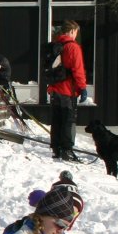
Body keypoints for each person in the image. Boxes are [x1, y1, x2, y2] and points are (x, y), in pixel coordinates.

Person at [48, 20, 86, 163]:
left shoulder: (56, 45)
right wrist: (82, 88)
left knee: (56, 119)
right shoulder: (72, 47)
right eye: (76, 32)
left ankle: (56, 148)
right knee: (68, 120)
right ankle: (67, 150)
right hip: (68, 89)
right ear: (71, 31)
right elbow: (77, 69)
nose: (76, 35)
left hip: (54, 88)